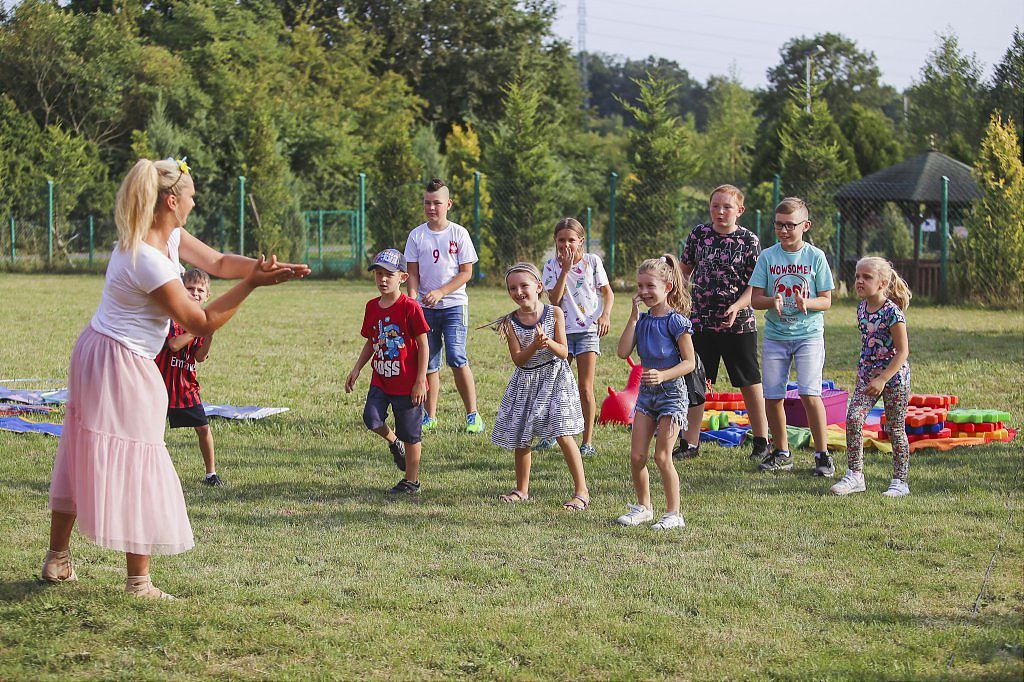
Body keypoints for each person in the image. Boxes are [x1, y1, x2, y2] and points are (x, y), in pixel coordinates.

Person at [42, 157, 308, 599]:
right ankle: (138, 582)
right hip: (121, 361)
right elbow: (199, 322)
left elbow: (218, 261)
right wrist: (253, 285)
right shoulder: (148, 261)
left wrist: (261, 269)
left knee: (81, 449)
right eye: (190, 197)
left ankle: (58, 558)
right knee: (140, 460)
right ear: (171, 200)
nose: (193, 203)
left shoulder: (163, 238)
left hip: (98, 349)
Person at [676, 184, 770, 462]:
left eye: (727, 207)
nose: (720, 212)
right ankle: (689, 442)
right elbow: (684, 270)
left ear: (739, 210)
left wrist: (738, 306)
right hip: (699, 323)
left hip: (738, 325)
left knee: (749, 382)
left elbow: (756, 284)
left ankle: (761, 441)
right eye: (715, 206)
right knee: (695, 380)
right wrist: (674, 296)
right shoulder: (699, 234)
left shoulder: (749, 241)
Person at [488, 263, 590, 511]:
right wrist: (534, 345)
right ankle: (521, 490)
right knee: (521, 435)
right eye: (512, 288)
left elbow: (564, 352)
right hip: (526, 381)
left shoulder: (555, 313)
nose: (518, 292)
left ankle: (581, 492)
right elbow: (518, 359)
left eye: (524, 285)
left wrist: (548, 342)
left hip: (556, 378)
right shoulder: (509, 322)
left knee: (563, 433)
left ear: (539, 286)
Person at [748, 197, 835, 475]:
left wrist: (806, 303)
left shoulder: (816, 257)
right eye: (779, 225)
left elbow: (826, 300)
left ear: (805, 226)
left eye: (790, 225)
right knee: (773, 396)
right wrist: (771, 300)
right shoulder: (767, 256)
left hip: (809, 335)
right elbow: (755, 299)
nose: (784, 231)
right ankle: (782, 452)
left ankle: (822, 455)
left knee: (810, 393)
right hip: (776, 336)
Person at [614, 254, 696, 530]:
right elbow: (622, 351)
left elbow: (689, 363)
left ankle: (674, 514)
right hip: (646, 397)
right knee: (637, 457)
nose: (644, 291)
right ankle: (644, 508)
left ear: (667, 287)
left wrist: (663, 374)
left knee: (662, 457)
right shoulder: (643, 321)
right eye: (640, 286)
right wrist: (633, 318)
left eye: (650, 286)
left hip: (672, 396)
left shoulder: (677, 322)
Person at [345, 249, 430, 495]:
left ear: (402, 277)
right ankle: (394, 442)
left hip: (408, 384)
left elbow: (424, 345)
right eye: (378, 274)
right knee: (371, 419)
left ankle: (411, 481)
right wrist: (357, 368)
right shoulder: (372, 307)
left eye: (388, 275)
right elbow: (371, 341)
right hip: (381, 379)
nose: (382, 279)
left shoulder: (410, 307)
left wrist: (420, 381)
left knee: (411, 435)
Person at [404, 178, 484, 435]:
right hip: (425, 309)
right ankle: (430, 416)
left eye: (437, 203)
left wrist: (441, 292)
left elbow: (466, 272)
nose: (431, 208)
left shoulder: (459, 233)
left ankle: (473, 415)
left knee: (457, 357)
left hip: (454, 306)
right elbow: (412, 273)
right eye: (427, 203)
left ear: (448, 204)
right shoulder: (416, 235)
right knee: (428, 362)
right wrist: (413, 300)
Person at [832, 257, 913, 497]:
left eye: (867, 277)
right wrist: (869, 375)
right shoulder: (861, 309)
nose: (859, 281)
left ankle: (900, 482)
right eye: (857, 276)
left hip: (894, 379)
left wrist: (883, 379)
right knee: (854, 419)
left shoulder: (893, 313)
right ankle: (855, 476)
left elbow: (903, 352)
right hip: (867, 378)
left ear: (882, 283)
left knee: (895, 429)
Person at [539, 217, 614, 458]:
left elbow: (608, 293)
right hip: (561, 333)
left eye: (571, 240)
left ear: (581, 240)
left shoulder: (593, 261)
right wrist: (565, 270)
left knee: (585, 387)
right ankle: (550, 435)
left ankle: (587, 441)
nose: (566, 245)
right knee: (554, 385)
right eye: (561, 240)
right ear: (555, 240)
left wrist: (605, 315)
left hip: (587, 332)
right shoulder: (551, 266)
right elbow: (554, 299)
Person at [154, 268, 220, 486]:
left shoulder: (200, 320)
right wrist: (196, 330)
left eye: (200, 290)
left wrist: (208, 335)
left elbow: (200, 357)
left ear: (207, 295)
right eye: (190, 288)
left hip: (185, 387)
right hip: (160, 386)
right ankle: (149, 472)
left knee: (203, 428)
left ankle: (211, 474)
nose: (195, 293)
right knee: (152, 432)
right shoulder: (171, 317)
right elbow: (173, 345)